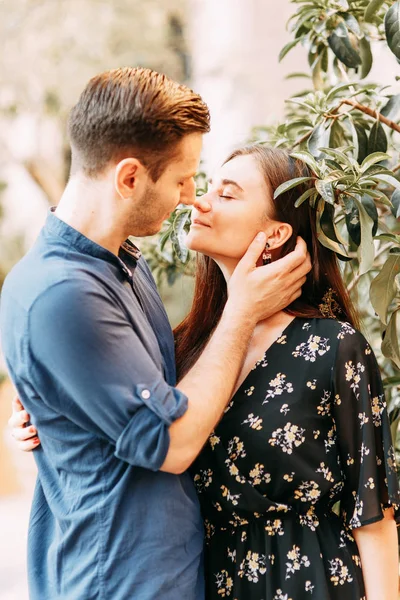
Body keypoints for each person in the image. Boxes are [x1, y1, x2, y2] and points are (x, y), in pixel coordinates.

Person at [1, 69, 311, 600]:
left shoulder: (121, 261)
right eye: (183, 178)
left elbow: (136, 384)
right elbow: (172, 442)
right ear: (129, 178)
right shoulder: (62, 293)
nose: (192, 196)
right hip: (115, 582)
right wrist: (241, 311)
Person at [176, 145, 399, 599]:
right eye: (209, 188)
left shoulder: (333, 347)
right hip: (212, 580)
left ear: (276, 232)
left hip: (314, 580)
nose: (202, 201)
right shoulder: (183, 349)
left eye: (228, 194)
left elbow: (372, 514)